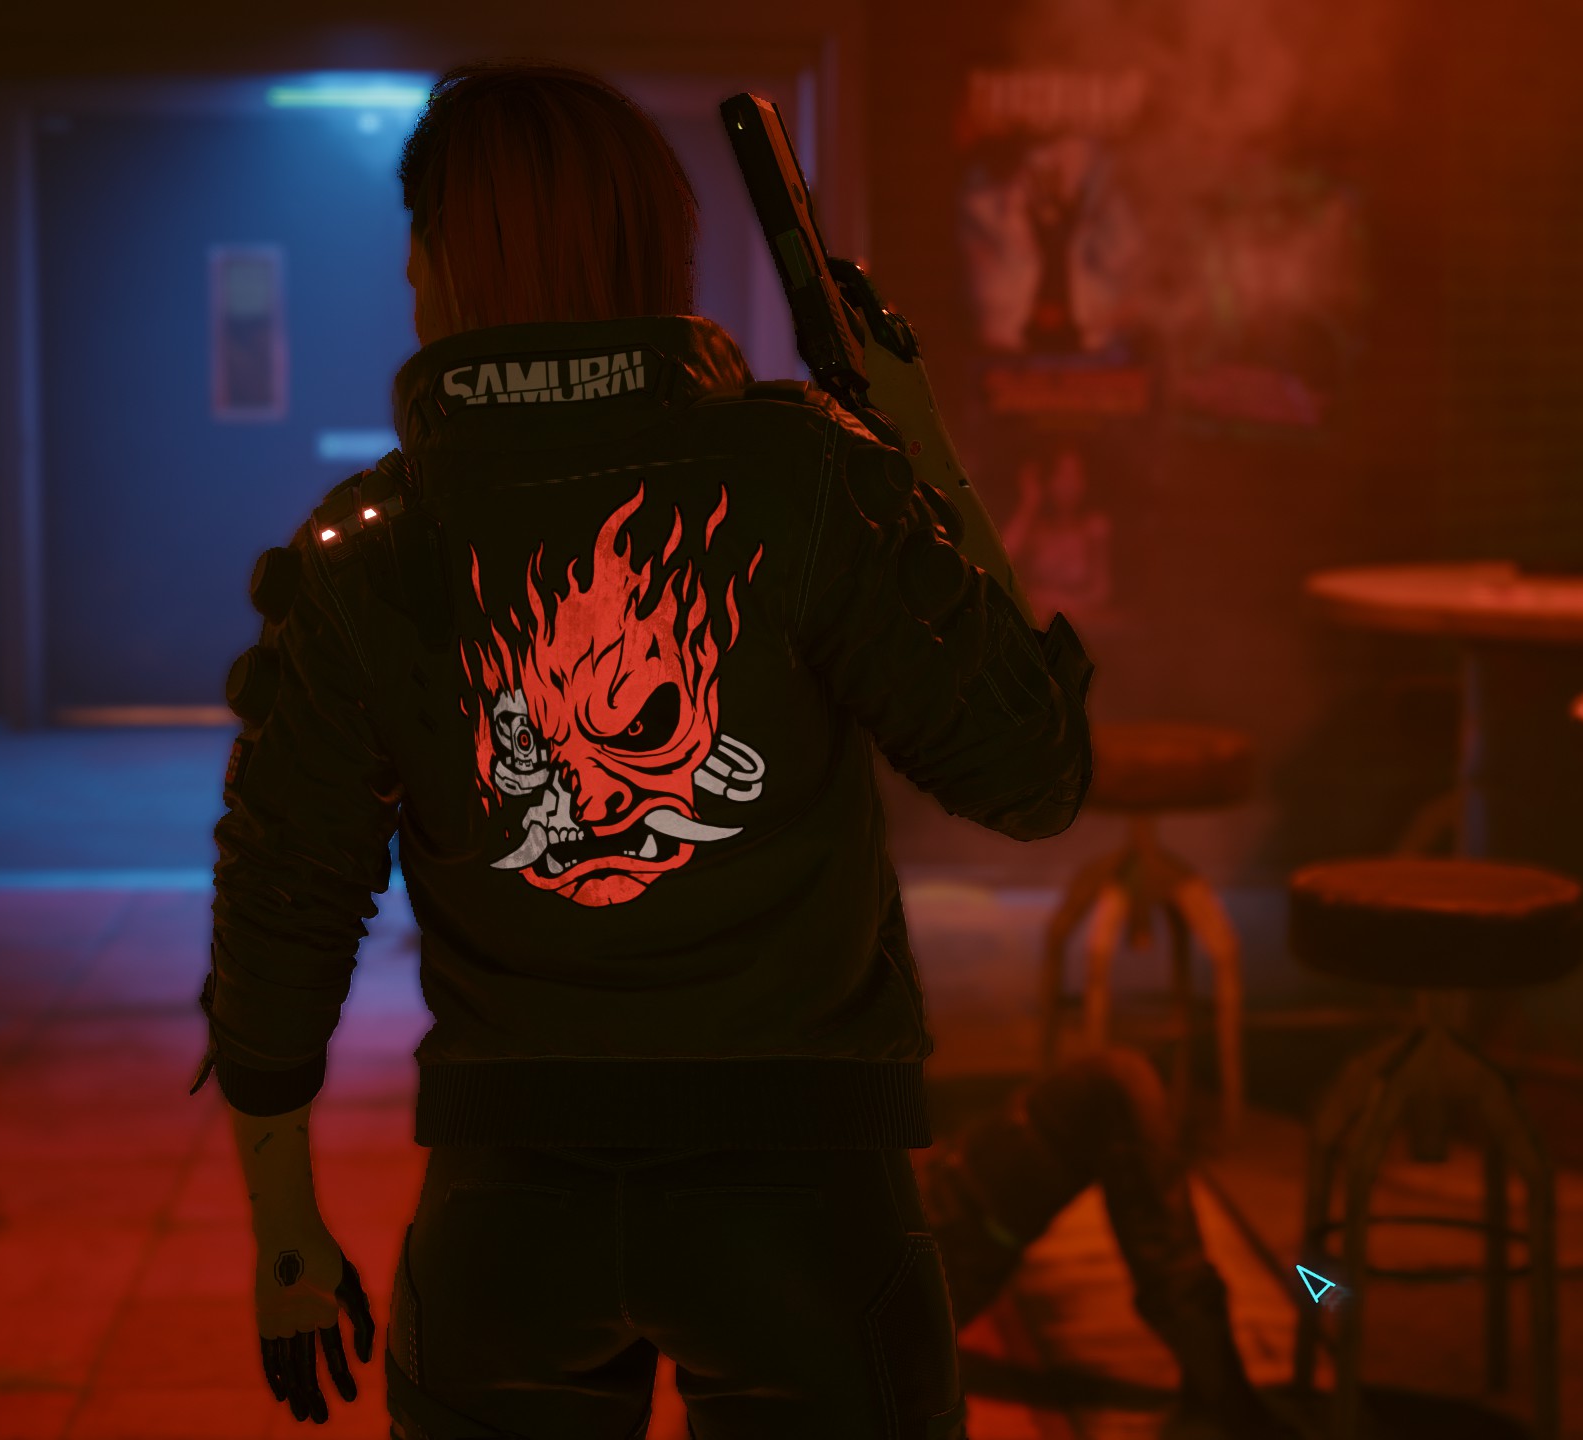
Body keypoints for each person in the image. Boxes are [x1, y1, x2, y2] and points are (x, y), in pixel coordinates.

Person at [198, 62, 1093, 1438]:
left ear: (444, 261)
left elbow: (280, 916)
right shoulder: (802, 478)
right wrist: (914, 438)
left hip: (508, 1216)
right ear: (651, 247)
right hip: (807, 1209)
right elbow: (1031, 773)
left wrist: (284, 1231)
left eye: (418, 245)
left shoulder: (368, 550)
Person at [920, 1049, 1302, 1439]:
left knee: (1110, 1084)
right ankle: (1221, 1389)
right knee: (1111, 1085)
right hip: (907, 1268)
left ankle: (1215, 1380)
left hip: (917, 1217)